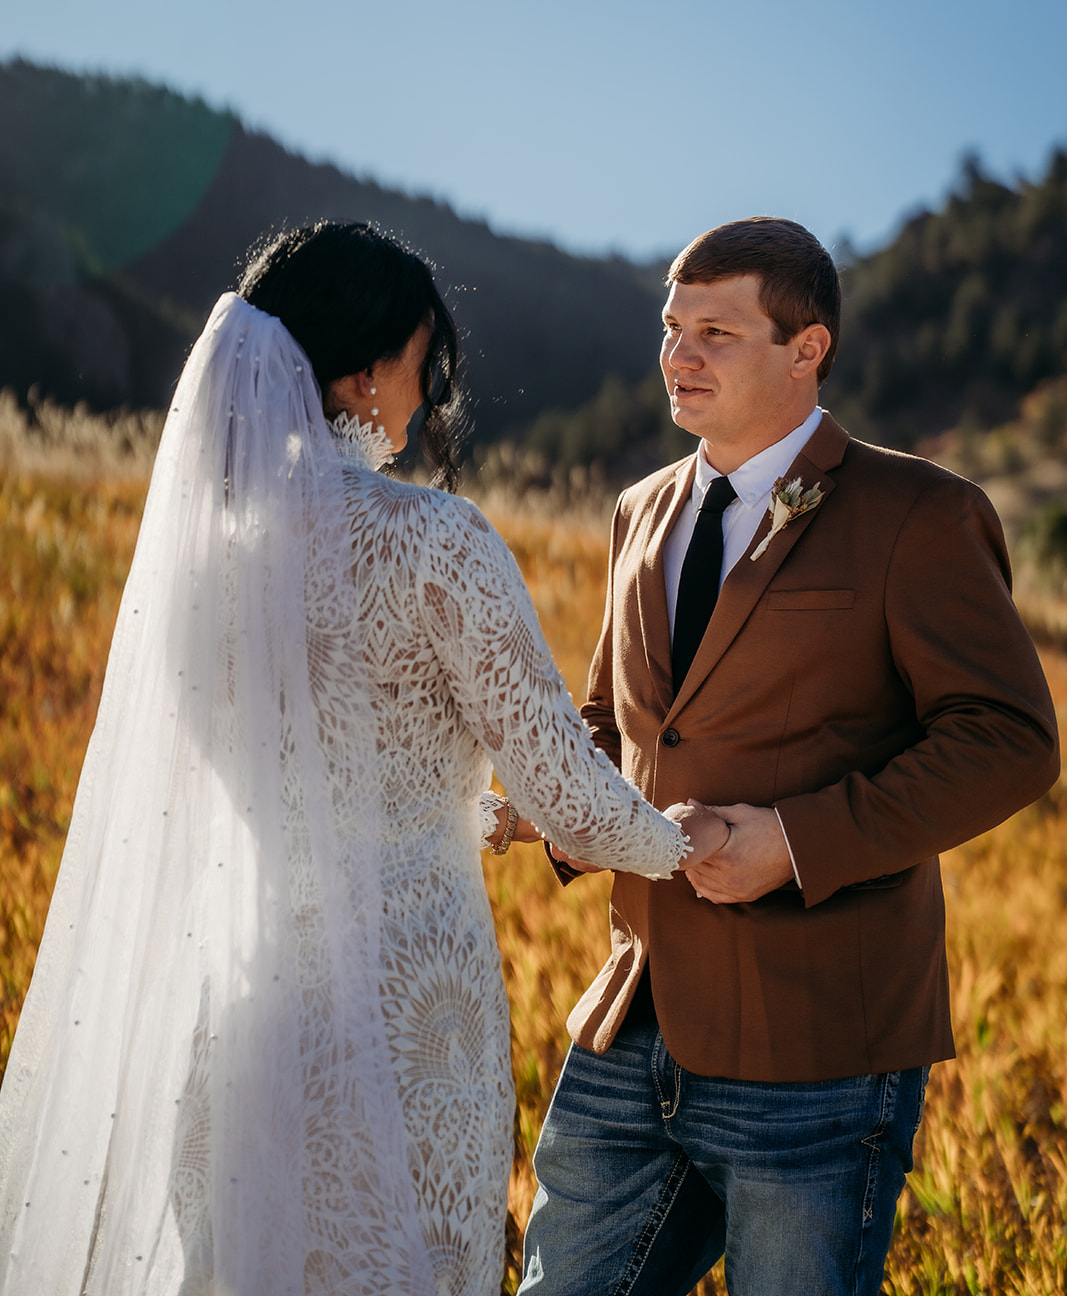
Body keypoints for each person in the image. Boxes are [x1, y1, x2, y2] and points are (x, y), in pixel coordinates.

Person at [0, 221, 729, 1296]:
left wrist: (471, 812)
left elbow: (310, 773)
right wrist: (684, 842)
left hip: (243, 1002)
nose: (428, 392)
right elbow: (568, 798)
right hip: (402, 1013)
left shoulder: (205, 569)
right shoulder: (434, 540)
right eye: (419, 362)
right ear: (361, 371)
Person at [520, 216, 1060, 1296]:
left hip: (817, 1054)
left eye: (715, 332)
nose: (678, 354)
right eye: (672, 327)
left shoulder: (920, 511)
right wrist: (553, 802)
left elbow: (1008, 739)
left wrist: (791, 840)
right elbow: (616, 722)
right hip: (629, 1024)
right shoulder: (638, 511)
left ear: (804, 348)